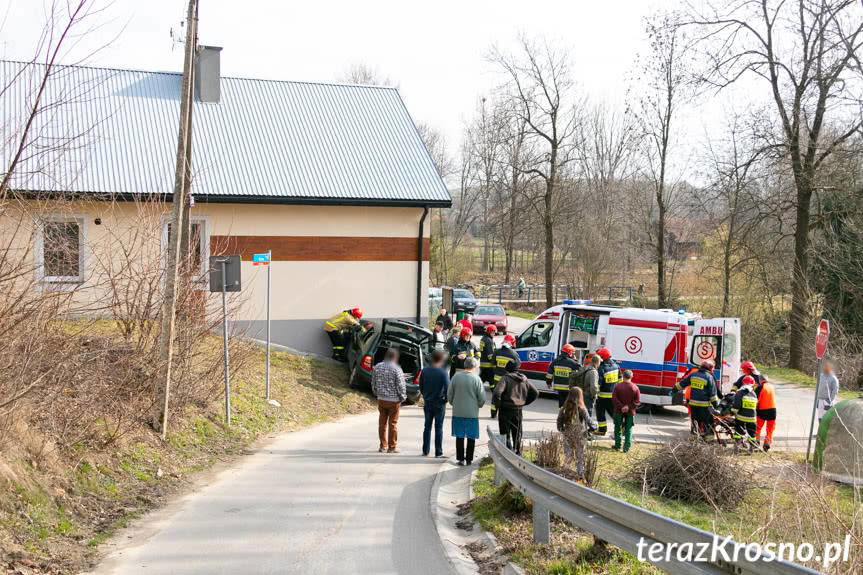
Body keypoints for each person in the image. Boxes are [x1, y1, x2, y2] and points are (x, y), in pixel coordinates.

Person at [492, 357, 538, 454]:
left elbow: (497, 393)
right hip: (518, 410)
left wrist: (498, 404)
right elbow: (536, 392)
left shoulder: (505, 378)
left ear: (507, 368)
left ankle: (507, 452)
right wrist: (525, 402)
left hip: (505, 409)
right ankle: (517, 452)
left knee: (505, 433)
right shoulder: (524, 379)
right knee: (517, 432)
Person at [447, 357, 485, 465]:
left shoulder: (456, 377)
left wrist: (454, 404)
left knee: (459, 436)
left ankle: (460, 459)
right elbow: (482, 398)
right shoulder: (476, 379)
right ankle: (469, 459)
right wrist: (479, 405)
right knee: (471, 436)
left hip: (458, 412)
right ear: (474, 366)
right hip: (472, 413)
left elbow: (449, 394)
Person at [370, 348, 406, 453]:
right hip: (394, 401)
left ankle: (383, 446)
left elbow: (373, 383)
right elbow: (401, 386)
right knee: (393, 423)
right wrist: (402, 397)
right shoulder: (397, 369)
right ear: (395, 357)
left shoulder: (377, 367)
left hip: (381, 399)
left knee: (382, 423)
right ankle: (392, 447)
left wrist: (377, 393)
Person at [674, 359, 720, 438]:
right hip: (704, 406)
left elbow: (682, 384)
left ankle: (694, 439)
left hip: (693, 405)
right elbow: (713, 394)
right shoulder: (709, 377)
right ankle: (709, 440)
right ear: (709, 368)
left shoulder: (694, 375)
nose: (713, 370)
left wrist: (674, 389)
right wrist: (716, 406)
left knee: (695, 423)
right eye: (713, 368)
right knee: (708, 423)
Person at [419, 349, 450, 458]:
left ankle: (425, 450)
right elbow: (448, 389)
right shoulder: (443, 372)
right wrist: (446, 400)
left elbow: (421, 386)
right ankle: (438, 452)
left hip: (428, 402)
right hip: (439, 402)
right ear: (441, 360)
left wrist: (425, 395)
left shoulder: (425, 371)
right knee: (438, 428)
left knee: (427, 427)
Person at [492, 334, 521, 419]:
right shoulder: (514, 354)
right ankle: (503, 415)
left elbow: (493, 364)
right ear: (511, 343)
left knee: (496, 395)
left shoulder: (497, 351)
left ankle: (493, 413)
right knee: (506, 397)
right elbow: (518, 365)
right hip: (507, 379)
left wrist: (497, 371)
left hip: (497, 378)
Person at [611, 369, 640, 452]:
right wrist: (628, 407)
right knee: (629, 429)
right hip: (630, 411)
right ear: (632, 377)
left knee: (617, 427)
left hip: (618, 410)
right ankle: (626, 448)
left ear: (623, 376)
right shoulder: (635, 387)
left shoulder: (617, 386)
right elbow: (637, 402)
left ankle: (617, 445)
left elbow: (614, 399)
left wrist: (622, 407)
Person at [594, 347, 620, 436]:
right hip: (613, 395)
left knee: (600, 413)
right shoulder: (616, 366)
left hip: (602, 396)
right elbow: (620, 379)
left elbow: (599, 383)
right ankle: (622, 426)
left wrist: (594, 392)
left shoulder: (602, 368)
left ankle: (602, 430)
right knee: (613, 413)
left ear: (602, 357)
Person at [730, 375, 758, 444]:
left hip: (741, 418)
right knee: (752, 434)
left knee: (738, 431)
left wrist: (732, 412)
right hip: (752, 419)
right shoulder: (754, 393)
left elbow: (737, 405)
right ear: (753, 384)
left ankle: (738, 443)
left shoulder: (740, 392)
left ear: (743, 383)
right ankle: (753, 445)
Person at [754, 375, 777, 451]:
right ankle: (767, 444)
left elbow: (755, 399)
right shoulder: (772, 386)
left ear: (760, 380)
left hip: (762, 410)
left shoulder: (760, 387)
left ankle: (756, 442)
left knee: (758, 428)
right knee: (770, 429)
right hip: (773, 410)